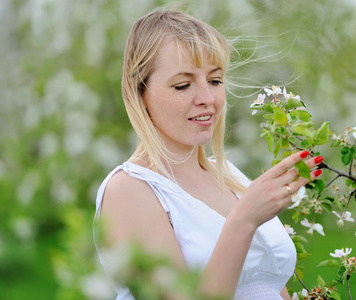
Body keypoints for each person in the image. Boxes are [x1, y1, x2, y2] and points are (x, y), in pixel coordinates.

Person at [94, 9, 324, 300]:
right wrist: (243, 221)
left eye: (215, 81)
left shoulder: (230, 177)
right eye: (183, 85)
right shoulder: (128, 190)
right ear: (141, 94)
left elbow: (267, 288)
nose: (207, 99)